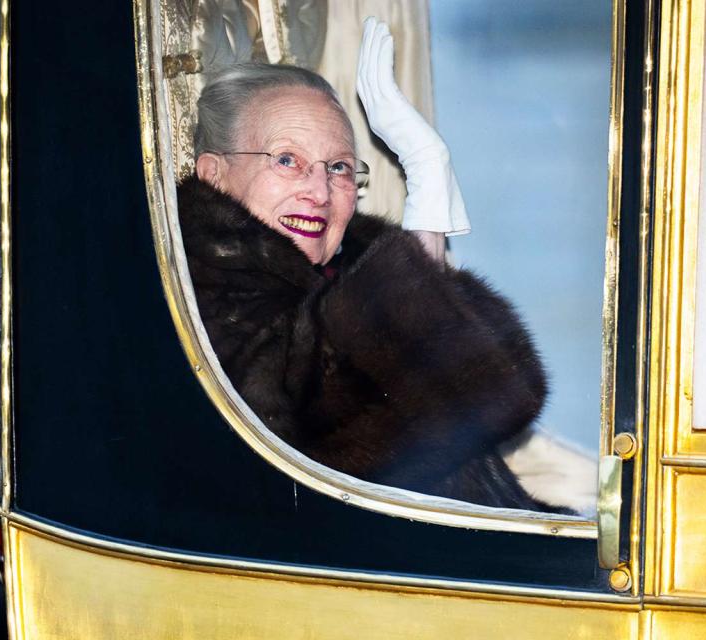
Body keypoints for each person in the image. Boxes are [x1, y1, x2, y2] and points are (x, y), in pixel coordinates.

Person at [177, 19, 569, 512]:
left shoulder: (355, 264)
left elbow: (510, 388)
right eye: (287, 161)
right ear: (214, 173)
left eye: (338, 167)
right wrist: (427, 190)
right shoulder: (199, 288)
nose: (319, 192)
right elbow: (344, 441)